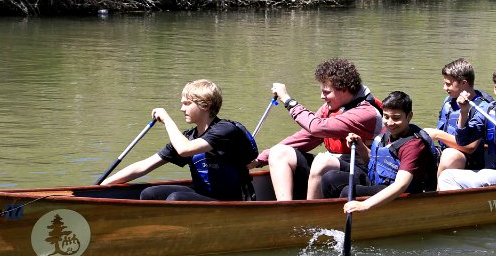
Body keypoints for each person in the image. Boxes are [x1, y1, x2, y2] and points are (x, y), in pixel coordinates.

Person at [100, 79, 258, 201]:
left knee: (176, 198)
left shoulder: (225, 130)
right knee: (150, 194)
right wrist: (102, 186)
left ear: (205, 105)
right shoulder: (188, 136)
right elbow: (144, 166)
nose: (182, 109)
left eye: (187, 104)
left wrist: (167, 120)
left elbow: (185, 150)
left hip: (232, 203)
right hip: (203, 197)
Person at [253, 58, 382, 200]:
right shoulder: (332, 106)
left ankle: (310, 218)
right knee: (279, 152)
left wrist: (288, 101)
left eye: (327, 92)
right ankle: (285, 211)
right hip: (334, 164)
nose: (322, 96)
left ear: (344, 90)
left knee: (322, 161)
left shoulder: (366, 113)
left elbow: (316, 127)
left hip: (361, 171)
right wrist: (259, 160)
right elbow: (307, 136)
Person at [321, 91, 439, 212]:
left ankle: (345, 221)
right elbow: (375, 162)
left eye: (396, 118)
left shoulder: (413, 146)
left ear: (409, 116)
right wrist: (360, 145)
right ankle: (327, 217)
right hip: (378, 182)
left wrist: (364, 205)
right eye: (386, 116)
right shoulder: (387, 133)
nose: (390, 122)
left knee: (348, 192)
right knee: (329, 178)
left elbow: (401, 185)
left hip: (399, 193)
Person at [424, 58, 493, 176]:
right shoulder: (450, 100)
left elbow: (470, 147)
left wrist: (437, 135)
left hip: (469, 160)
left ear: (464, 83)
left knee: (450, 156)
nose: (445, 88)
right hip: (444, 150)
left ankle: (440, 193)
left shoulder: (483, 108)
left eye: (448, 84)